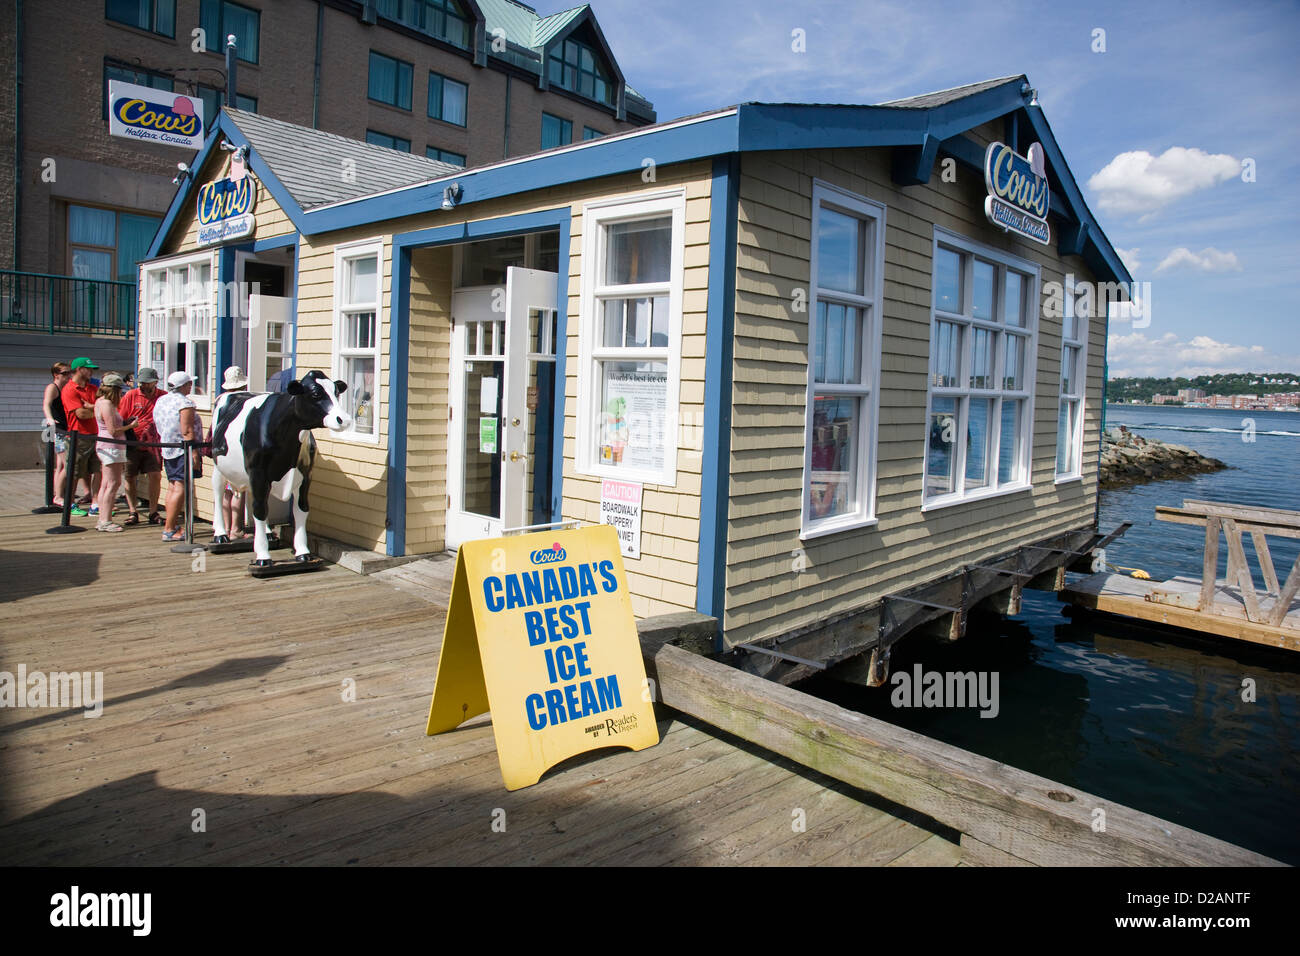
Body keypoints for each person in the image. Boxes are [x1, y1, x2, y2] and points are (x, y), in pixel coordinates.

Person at [154, 371, 202, 542]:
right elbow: (187, 430)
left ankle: (171, 525)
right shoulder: (184, 403)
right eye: (189, 383)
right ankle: (169, 529)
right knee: (180, 487)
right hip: (183, 450)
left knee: (173, 486)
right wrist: (194, 452)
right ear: (183, 385)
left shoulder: (162, 400)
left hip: (168, 448)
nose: (191, 385)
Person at [119, 367, 165, 525]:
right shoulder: (131, 395)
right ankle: (133, 511)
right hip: (133, 442)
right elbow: (121, 418)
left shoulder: (163, 396)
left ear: (155, 382)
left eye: (146, 383)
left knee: (155, 476)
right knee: (130, 477)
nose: (143, 386)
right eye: (141, 383)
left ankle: (153, 512)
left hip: (153, 443)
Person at [93, 373, 137, 532]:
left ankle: (102, 519)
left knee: (106, 484)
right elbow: (113, 431)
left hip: (106, 446)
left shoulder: (99, 402)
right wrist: (130, 426)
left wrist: (124, 423)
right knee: (113, 484)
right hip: (111, 447)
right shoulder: (107, 405)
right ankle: (105, 520)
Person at [60, 356, 101, 516]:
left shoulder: (92, 388)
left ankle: (95, 503)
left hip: (96, 435)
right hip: (78, 437)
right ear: (78, 369)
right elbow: (81, 414)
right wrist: (96, 409)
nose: (91, 371)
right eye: (88, 368)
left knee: (98, 470)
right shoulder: (70, 389)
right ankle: (69, 503)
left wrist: (94, 407)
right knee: (75, 471)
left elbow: (105, 407)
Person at [218, 367, 251, 538]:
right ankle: (236, 529)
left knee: (226, 490)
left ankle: (225, 527)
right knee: (238, 490)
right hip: (235, 450)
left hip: (220, 449)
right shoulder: (242, 401)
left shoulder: (220, 400)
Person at [41, 362, 71, 507]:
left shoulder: (66, 388)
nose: (68, 375)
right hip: (58, 431)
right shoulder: (52, 387)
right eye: (65, 373)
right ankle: (58, 496)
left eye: (69, 373)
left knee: (60, 464)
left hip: (66, 429)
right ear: (56, 375)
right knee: (67, 463)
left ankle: (57, 492)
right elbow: (46, 404)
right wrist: (50, 419)